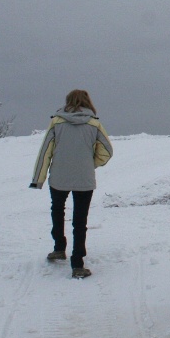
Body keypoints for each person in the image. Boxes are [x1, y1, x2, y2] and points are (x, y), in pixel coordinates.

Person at [30, 89, 113, 279]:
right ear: (87, 102)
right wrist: (90, 163)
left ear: (68, 101)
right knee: (80, 220)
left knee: (57, 210)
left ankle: (59, 247)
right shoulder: (94, 123)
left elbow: (45, 152)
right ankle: (77, 263)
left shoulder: (57, 122)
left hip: (59, 176)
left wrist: (38, 179)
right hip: (84, 178)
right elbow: (107, 151)